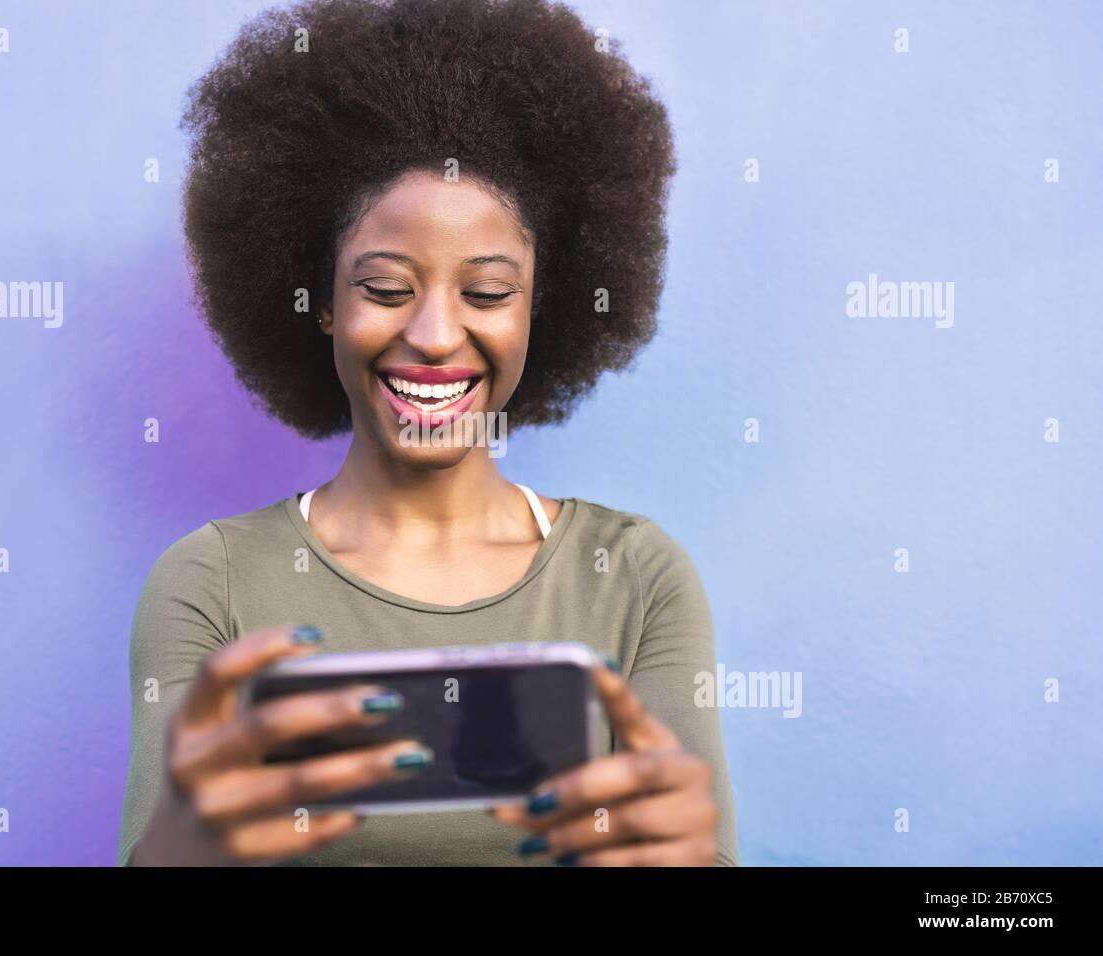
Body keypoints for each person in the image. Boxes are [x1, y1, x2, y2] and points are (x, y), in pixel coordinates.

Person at [119, 0, 738, 866]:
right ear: (323, 304)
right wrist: (184, 847)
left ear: (538, 311)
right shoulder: (210, 584)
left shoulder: (636, 578)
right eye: (384, 288)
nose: (437, 335)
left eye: (486, 293)